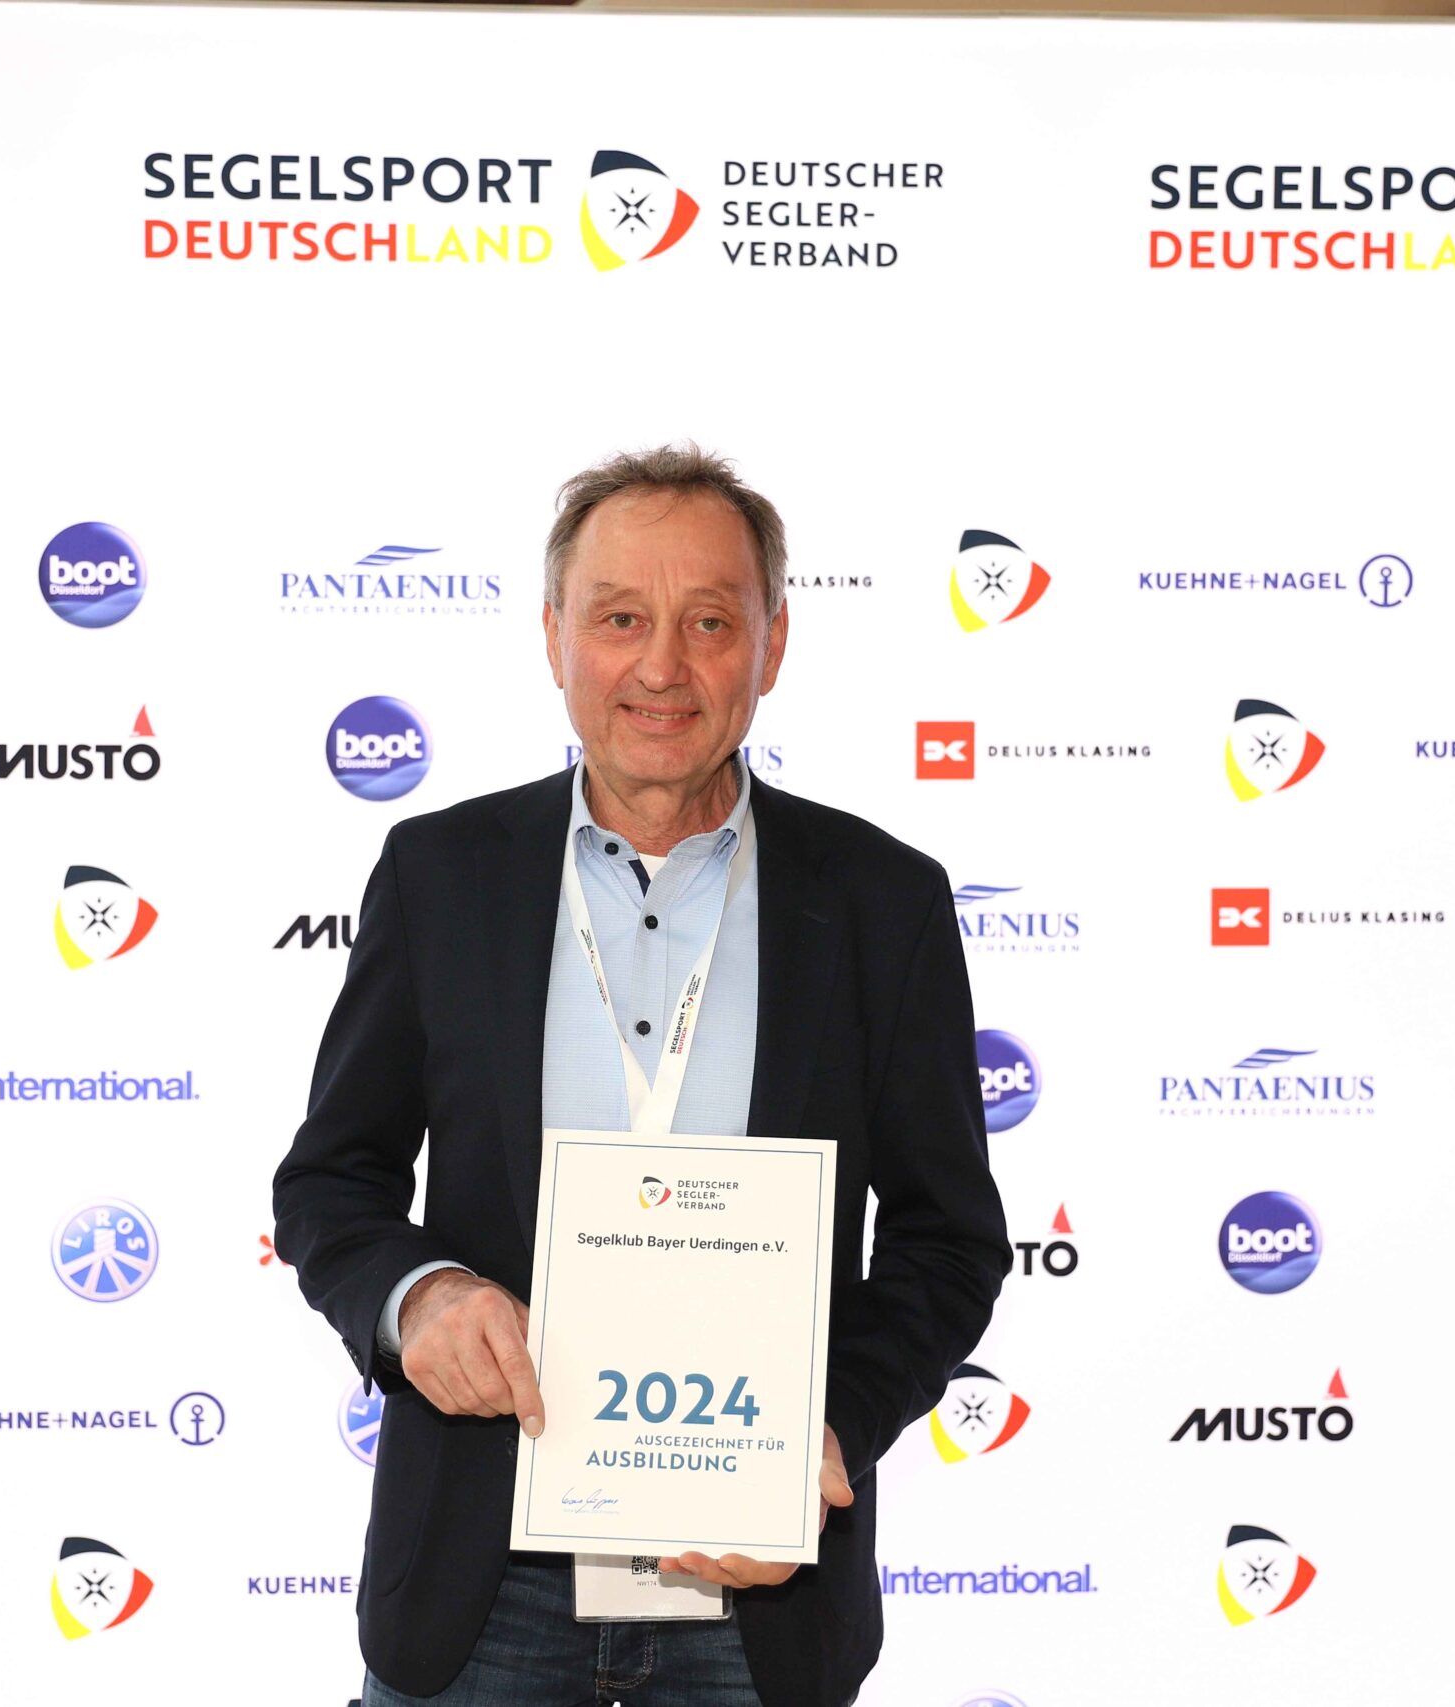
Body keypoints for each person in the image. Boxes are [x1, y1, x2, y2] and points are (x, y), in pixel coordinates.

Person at [273, 444, 1011, 1707]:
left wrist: (823, 1432)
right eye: (620, 619)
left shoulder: (881, 903)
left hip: (759, 1596)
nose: (662, 666)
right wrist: (420, 1297)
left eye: (709, 622)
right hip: (477, 1588)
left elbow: (947, 1242)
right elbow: (330, 1184)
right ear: (553, 635)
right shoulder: (440, 875)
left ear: (773, 645)